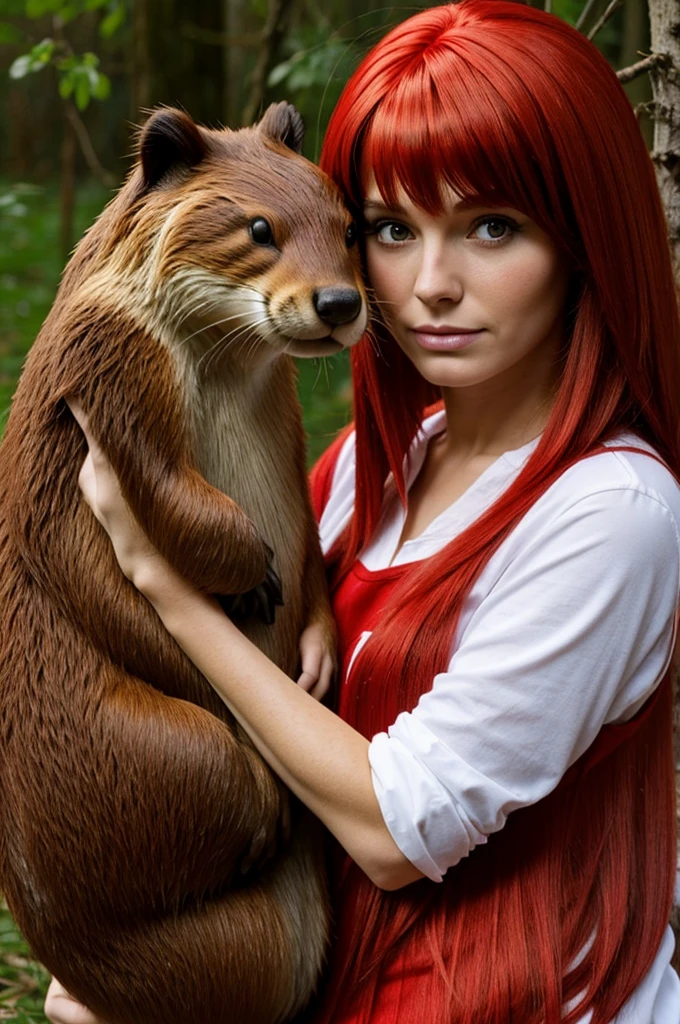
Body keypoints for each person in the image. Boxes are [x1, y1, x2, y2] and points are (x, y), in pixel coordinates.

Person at [45, 1, 680, 1022]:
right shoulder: (371, 467)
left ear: (579, 237)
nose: (428, 285)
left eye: (490, 226)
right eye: (389, 229)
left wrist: (166, 582)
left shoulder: (612, 512)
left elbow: (393, 833)